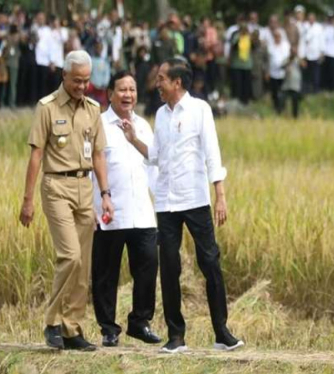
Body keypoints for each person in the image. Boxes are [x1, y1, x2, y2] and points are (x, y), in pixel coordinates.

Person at [119, 58, 244, 354]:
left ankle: (221, 332)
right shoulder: (161, 115)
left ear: (177, 82)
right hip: (166, 202)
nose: (157, 83)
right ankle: (176, 336)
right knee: (170, 267)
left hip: (195, 199)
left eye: (162, 78)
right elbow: (156, 156)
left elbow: (212, 154)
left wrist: (220, 195)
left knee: (209, 262)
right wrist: (133, 139)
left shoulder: (200, 110)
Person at [19, 50, 114, 352]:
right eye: (77, 80)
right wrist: (27, 200)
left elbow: (98, 154)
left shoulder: (94, 109)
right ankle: (52, 321)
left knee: (83, 264)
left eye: (86, 81)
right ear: (64, 76)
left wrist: (105, 193)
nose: (82, 86)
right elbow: (35, 155)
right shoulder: (46, 108)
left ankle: (72, 328)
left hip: (84, 187)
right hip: (56, 185)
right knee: (70, 256)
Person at [91, 71, 162, 348]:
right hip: (110, 210)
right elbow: (90, 169)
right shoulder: (99, 125)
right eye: (122, 89)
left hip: (142, 211)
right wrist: (92, 205)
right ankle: (108, 328)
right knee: (105, 273)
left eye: (132, 89)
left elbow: (154, 166)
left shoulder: (143, 125)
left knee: (147, 267)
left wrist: (161, 204)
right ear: (110, 93)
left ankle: (140, 322)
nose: (128, 95)